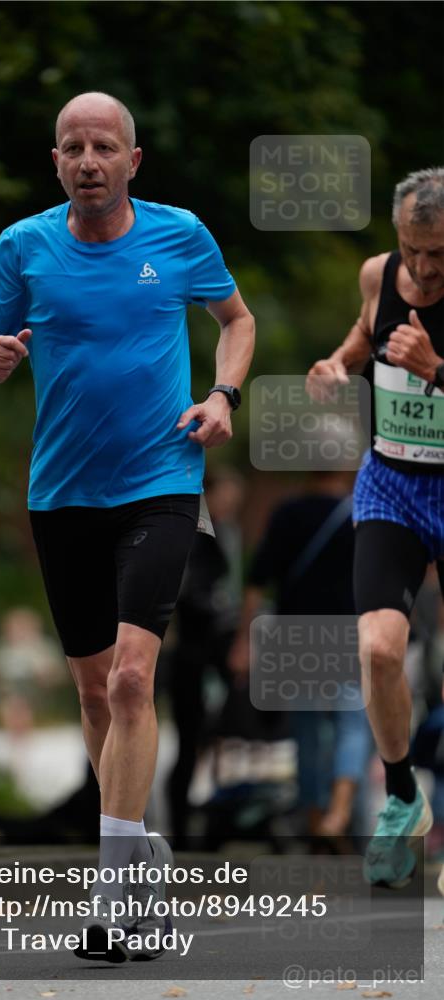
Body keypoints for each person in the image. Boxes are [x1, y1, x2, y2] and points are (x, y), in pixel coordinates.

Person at [0, 91, 255, 961]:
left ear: (132, 159)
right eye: (72, 147)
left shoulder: (179, 235)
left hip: (161, 480)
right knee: (91, 693)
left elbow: (236, 321)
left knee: (128, 681)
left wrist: (222, 396)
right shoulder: (23, 247)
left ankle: (118, 895)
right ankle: (140, 856)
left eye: (103, 147)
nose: (88, 160)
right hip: (62, 497)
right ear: (56, 162)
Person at [305, 167, 444, 888]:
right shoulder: (378, 274)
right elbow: (364, 333)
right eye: (410, 250)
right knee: (380, 650)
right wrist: (336, 364)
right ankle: (399, 798)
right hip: (391, 482)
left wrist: (437, 369)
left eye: (438, 256)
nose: (421, 269)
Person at [228, 469, 373, 842]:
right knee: (352, 725)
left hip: (297, 636)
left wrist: (245, 640)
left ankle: (313, 817)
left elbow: (257, 582)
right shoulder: (363, 511)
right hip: (348, 633)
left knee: (306, 730)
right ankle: (338, 814)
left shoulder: (287, 513)